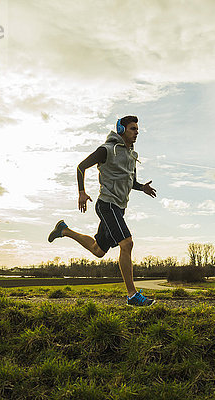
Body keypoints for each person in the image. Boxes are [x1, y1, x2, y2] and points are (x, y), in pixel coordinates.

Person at [48, 115, 157, 306]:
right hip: (107, 205)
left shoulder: (132, 155)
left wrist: (142, 188)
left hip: (119, 208)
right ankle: (132, 296)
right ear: (121, 130)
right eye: (133, 128)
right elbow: (81, 167)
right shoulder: (107, 150)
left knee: (98, 251)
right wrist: (81, 192)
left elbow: (130, 182)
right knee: (127, 243)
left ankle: (64, 230)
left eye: (137, 129)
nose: (137, 132)